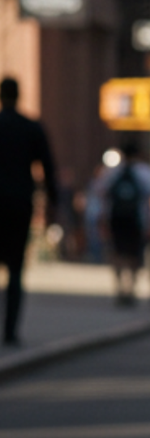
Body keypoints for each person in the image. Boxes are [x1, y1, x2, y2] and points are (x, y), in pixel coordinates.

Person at [0, 76, 57, 346]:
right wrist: (54, 203)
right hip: (20, 203)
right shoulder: (30, 128)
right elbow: (48, 167)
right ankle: (9, 330)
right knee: (16, 268)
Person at [102, 142, 150, 305]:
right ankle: (130, 287)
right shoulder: (144, 172)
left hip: (116, 218)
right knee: (134, 254)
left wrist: (102, 217)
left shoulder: (113, 172)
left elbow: (101, 193)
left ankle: (119, 287)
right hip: (136, 219)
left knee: (117, 252)